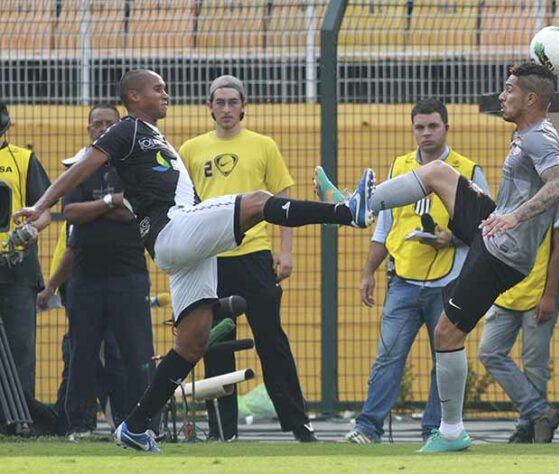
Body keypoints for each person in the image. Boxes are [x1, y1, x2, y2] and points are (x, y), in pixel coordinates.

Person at [13, 69, 375, 452]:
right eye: (158, 89)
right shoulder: (127, 129)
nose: (166, 94)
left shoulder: (156, 137)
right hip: (174, 229)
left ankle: (135, 426)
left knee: (193, 342)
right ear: (135, 97)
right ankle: (346, 212)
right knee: (256, 201)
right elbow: (85, 165)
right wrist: (41, 205)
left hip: (184, 243)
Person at [316, 62, 559, 452]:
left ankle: (451, 432)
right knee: (437, 172)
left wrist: (514, 216)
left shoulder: (539, 139)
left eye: (509, 90)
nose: (502, 96)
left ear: (531, 99)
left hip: (502, 252)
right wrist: (503, 214)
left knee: (446, 335)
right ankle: (356, 208)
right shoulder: (529, 133)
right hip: (492, 230)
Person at [329, 98, 490, 444]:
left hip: (449, 281)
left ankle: (435, 429)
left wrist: (452, 239)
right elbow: (385, 225)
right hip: (402, 280)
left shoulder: (468, 169)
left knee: (443, 359)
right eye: (420, 127)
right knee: (388, 357)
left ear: (447, 128)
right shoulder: (399, 166)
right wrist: (368, 270)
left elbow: (485, 229)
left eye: (433, 126)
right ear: (412, 128)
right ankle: (368, 428)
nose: (426, 133)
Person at [179, 75, 315, 442]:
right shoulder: (191, 149)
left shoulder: (263, 146)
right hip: (211, 259)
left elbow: (282, 201)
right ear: (209, 107)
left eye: (232, 102)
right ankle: (223, 430)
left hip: (255, 254)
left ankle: (298, 423)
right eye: (219, 102)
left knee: (272, 340)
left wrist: (284, 252)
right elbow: (184, 206)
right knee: (216, 342)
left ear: (243, 106)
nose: (226, 109)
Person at [38, 104, 138, 439]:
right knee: (80, 353)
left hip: (123, 275)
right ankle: (76, 424)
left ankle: (127, 423)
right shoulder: (79, 172)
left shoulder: (131, 170)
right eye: (97, 124)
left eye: (110, 124)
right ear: (88, 129)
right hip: (83, 279)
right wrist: (110, 203)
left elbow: (130, 212)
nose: (103, 129)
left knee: (119, 352)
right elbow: (71, 217)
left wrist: (95, 210)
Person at [478, 211, 559, 443]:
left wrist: (549, 294)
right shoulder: (505, 200)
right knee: (489, 351)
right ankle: (540, 413)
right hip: (505, 292)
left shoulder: (552, 203)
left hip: (539, 293)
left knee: (535, 364)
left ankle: (529, 429)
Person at [0, 101, 52, 403]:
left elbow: (42, 210)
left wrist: (31, 229)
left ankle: (20, 415)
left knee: (21, 346)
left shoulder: (23, 159)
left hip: (17, 267)